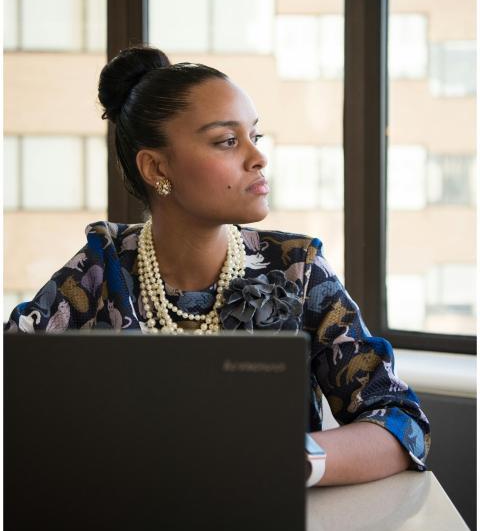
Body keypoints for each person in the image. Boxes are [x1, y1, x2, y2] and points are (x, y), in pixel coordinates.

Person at [5, 45, 430, 485]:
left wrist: (284, 460)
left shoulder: (297, 270)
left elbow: (401, 424)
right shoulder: (100, 269)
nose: (257, 156)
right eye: (227, 141)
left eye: (255, 136)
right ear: (155, 167)